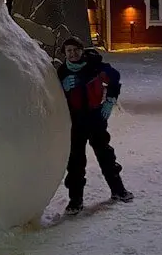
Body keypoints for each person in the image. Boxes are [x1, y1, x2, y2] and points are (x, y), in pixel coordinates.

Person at [57, 37, 133, 215]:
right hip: (75, 121)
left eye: (76, 50)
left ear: (82, 50)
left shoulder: (94, 65)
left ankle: (118, 190)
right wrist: (61, 87)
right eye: (69, 51)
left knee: (105, 154)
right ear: (65, 53)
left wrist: (110, 100)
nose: (73, 54)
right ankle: (75, 200)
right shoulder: (61, 72)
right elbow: (54, 96)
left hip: (96, 117)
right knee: (75, 161)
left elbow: (114, 78)